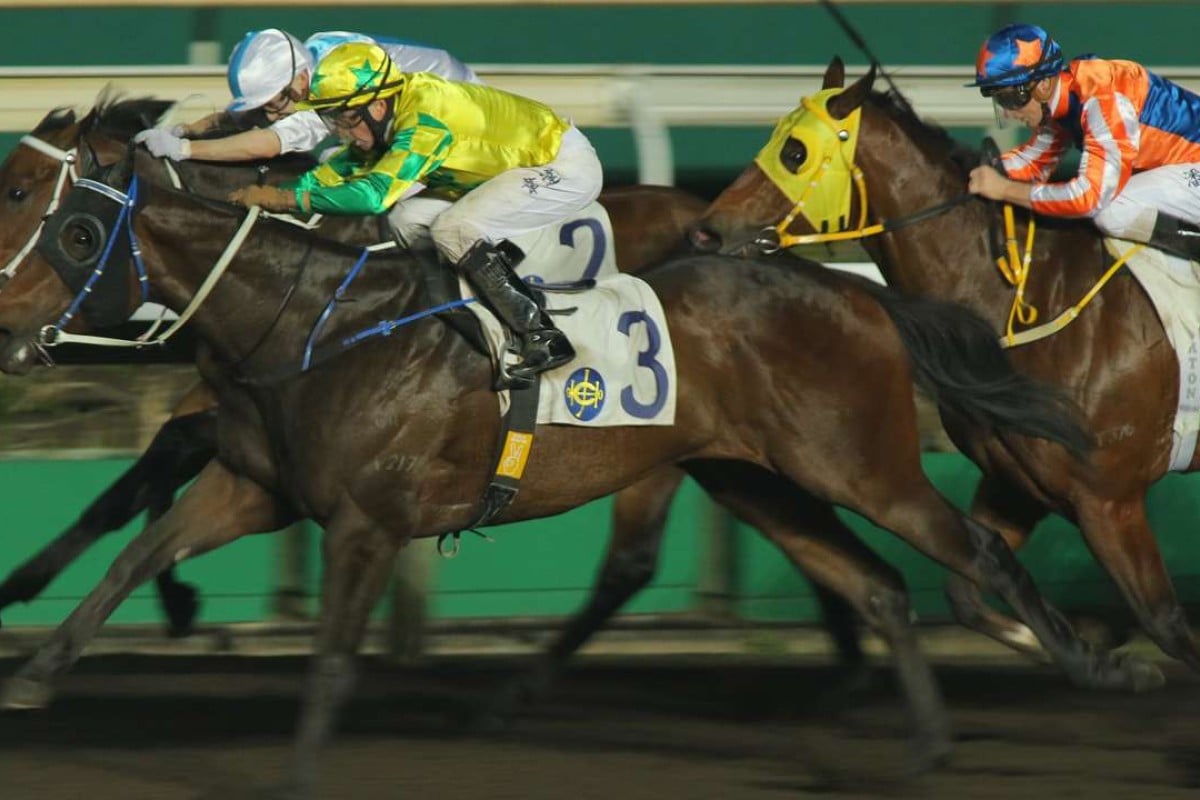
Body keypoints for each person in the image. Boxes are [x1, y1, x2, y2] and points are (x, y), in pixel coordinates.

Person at [227, 41, 604, 386]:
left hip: (561, 165)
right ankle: (459, 317)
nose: (342, 134)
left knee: (453, 228)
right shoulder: (387, 107)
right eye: (334, 122)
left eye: (344, 121)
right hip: (507, 169)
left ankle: (542, 335)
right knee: (406, 219)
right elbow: (340, 169)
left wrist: (286, 200)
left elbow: (374, 195)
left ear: (376, 106)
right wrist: (271, 194)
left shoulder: (425, 120)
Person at [966, 23, 1200, 259]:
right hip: (1183, 165)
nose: (1008, 112)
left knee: (1112, 211)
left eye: (1009, 99)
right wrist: (972, 176)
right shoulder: (1061, 103)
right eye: (999, 100)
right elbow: (1032, 165)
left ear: (1043, 85)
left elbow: (1090, 198)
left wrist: (1005, 189)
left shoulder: (1103, 102)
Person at [135, 28, 479, 164]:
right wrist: (183, 130)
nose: (271, 114)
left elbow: (268, 142)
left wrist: (185, 150)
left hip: (457, 108)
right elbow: (238, 118)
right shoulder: (303, 66)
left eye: (274, 102)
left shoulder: (333, 81)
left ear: (300, 78)